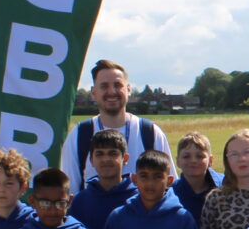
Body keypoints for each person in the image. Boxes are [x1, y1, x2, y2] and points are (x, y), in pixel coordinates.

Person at [62, 58, 170, 194]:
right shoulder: (80, 134)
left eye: (118, 85)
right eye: (104, 86)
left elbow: (168, 187)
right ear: (94, 93)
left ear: (128, 89)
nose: (112, 92)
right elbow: (70, 192)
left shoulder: (150, 132)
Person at [68, 127, 137, 229]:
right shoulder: (80, 201)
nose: (106, 159)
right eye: (99, 154)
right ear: (91, 160)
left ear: (125, 159)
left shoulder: (138, 199)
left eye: (113, 154)